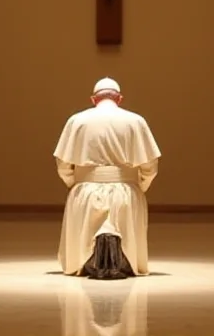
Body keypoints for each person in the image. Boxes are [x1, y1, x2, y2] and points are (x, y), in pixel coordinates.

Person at [53, 77, 162, 279]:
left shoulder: (77, 121)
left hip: (86, 191)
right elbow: (150, 166)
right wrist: (138, 187)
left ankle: (86, 261)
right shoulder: (135, 121)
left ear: (94, 99)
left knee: (85, 238)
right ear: (119, 98)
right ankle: (124, 261)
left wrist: (76, 185)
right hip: (126, 191)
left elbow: (63, 165)